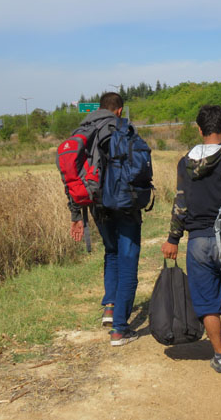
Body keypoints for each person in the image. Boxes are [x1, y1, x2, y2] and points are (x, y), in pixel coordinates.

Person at [161, 105, 221, 373]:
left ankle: (219, 356)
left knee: (206, 301)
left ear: (199, 129)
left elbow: (180, 204)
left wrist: (173, 239)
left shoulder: (184, 162)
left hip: (199, 241)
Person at [68, 92, 142, 347]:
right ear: (119, 110)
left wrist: (76, 213)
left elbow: (72, 177)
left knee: (111, 253)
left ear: (100, 108)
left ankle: (110, 308)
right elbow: (138, 167)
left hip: (96, 205)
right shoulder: (121, 127)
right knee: (128, 260)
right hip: (123, 204)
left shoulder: (83, 131)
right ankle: (120, 330)